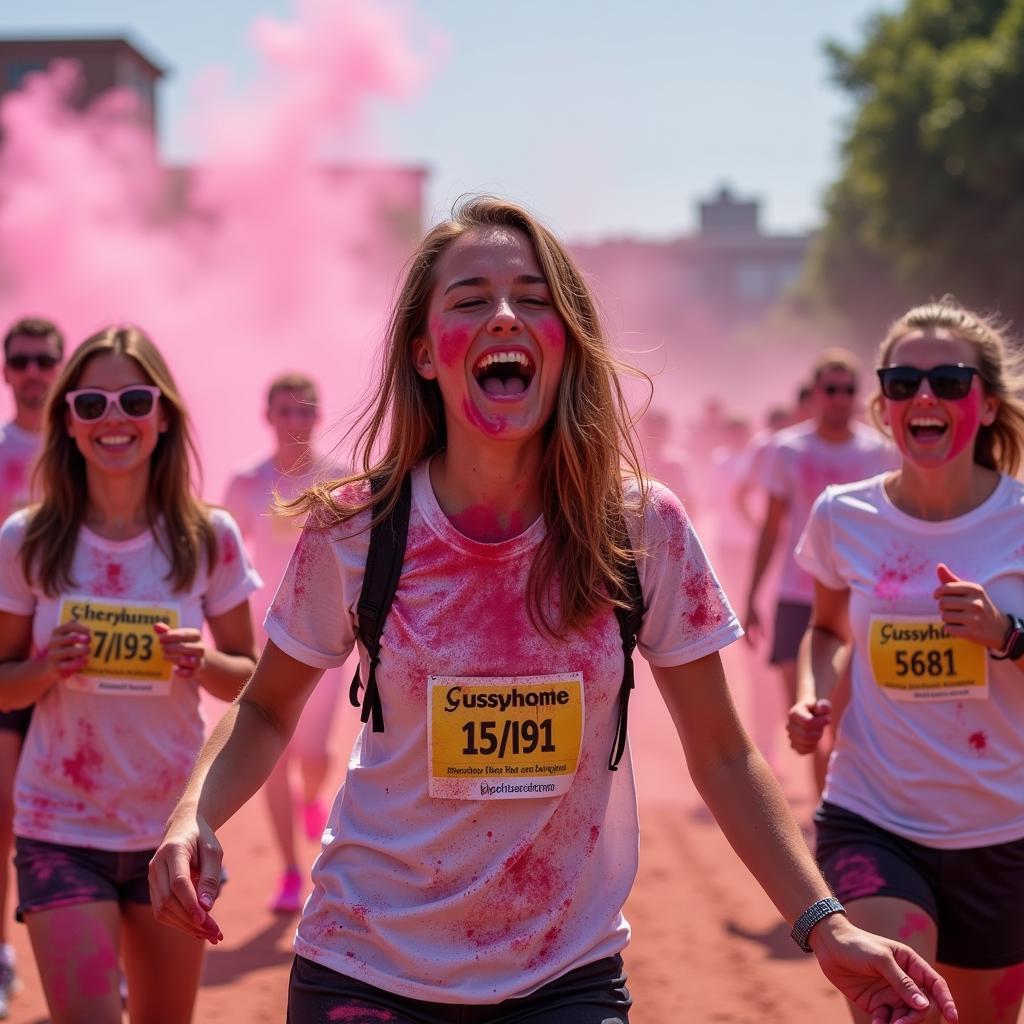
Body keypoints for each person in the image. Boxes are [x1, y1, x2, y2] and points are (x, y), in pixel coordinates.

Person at [150, 198, 957, 1024]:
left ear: (566, 342)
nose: (505, 314)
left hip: (564, 979)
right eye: (470, 300)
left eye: (534, 298)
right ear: (426, 356)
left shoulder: (643, 528)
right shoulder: (358, 530)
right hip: (364, 967)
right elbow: (267, 708)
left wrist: (825, 923)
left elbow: (721, 753)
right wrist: (192, 816)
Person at [0, 325, 261, 1024]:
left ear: (164, 415)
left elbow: (254, 682)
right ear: (68, 422)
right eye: (91, 405)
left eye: (134, 400)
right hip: (60, 826)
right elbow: (1, 683)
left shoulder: (210, 538)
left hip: (171, 829)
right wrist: (43, 668)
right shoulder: (27, 540)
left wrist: (202, 662)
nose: (113, 419)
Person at [788, 299, 1024, 1024]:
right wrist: (812, 694)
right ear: (885, 408)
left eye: (950, 381)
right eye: (903, 383)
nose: (925, 397)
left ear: (984, 407)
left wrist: (1005, 634)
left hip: (1000, 831)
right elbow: (826, 631)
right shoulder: (842, 515)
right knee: (903, 1007)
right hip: (874, 816)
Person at [224, 373, 350, 913]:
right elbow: (224, 558)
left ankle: (313, 796)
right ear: (267, 416)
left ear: (317, 418)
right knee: (272, 752)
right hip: (264, 639)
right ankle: (290, 873)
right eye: (285, 412)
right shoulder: (247, 482)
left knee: (314, 751)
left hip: (324, 637)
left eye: (304, 412)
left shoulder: (341, 480)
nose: (294, 422)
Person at [744, 350, 895, 791]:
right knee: (808, 717)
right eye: (831, 389)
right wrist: (753, 595)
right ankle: (822, 814)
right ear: (815, 395)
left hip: (857, 599)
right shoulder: (788, 450)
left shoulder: (879, 451)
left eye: (849, 390)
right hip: (796, 596)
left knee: (846, 721)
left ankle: (836, 812)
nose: (840, 399)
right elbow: (771, 526)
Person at [0, 315, 64, 1017]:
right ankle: (2, 950)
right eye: (22, 359)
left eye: (45, 358)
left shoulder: (81, 445)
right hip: (10, 657)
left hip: (83, 654)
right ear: (6, 370)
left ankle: (97, 947)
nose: (34, 370)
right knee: (2, 811)